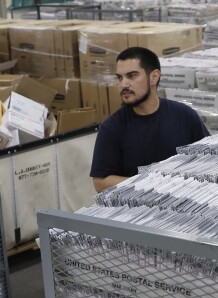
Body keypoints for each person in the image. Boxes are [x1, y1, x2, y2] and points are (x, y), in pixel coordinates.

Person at [90, 47, 210, 193]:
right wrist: (152, 184)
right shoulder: (112, 128)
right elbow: (100, 182)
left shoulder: (184, 115)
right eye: (120, 78)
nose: (123, 85)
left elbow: (209, 157)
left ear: (154, 77)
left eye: (132, 76)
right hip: (136, 208)